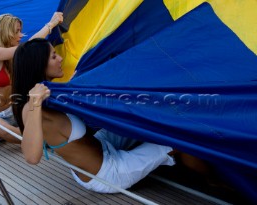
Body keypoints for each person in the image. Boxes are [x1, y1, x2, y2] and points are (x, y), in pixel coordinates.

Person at [11, 38, 176, 193]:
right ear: (39, 65)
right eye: (54, 56)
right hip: (108, 174)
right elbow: (32, 157)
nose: (60, 58)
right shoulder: (32, 106)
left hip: (102, 147)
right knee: (175, 140)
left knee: (135, 117)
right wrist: (34, 102)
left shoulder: (51, 93)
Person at [0, 12, 63, 143]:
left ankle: (34, 134)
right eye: (16, 31)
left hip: (15, 113)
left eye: (20, 31)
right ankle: (35, 138)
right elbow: (30, 46)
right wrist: (51, 24)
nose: (20, 35)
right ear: (5, 32)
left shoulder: (15, 58)